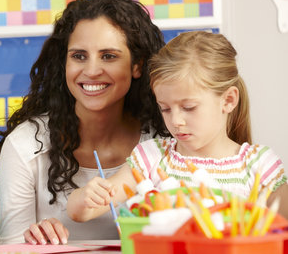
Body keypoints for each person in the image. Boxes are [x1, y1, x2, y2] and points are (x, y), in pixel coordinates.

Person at [0, 0, 169, 245]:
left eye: (109, 56)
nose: (92, 71)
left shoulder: (162, 143)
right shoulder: (26, 145)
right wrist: (32, 239)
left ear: (137, 65)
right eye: (78, 56)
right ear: (63, 63)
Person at [67, 31, 288, 222]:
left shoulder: (259, 165)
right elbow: (81, 213)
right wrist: (86, 198)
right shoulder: (152, 158)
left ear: (228, 100)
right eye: (165, 108)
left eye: (189, 107)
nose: (176, 121)